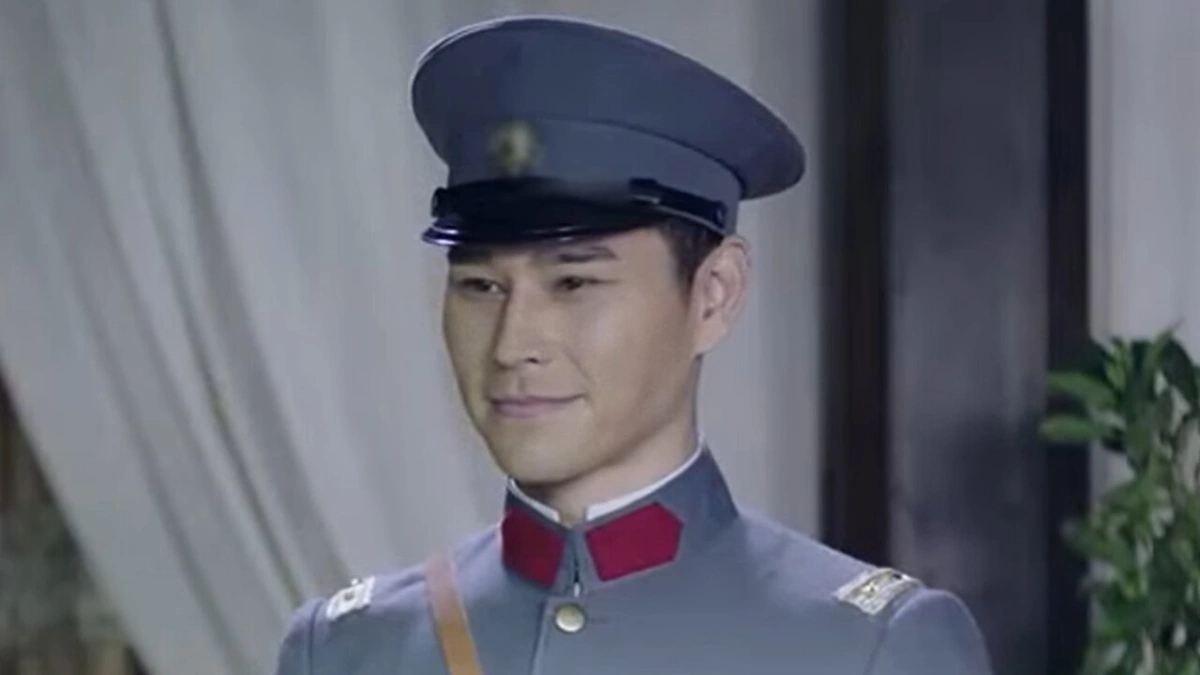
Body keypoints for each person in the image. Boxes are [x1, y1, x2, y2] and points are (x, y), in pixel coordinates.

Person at [271, 15, 994, 675]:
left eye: (574, 283)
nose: (512, 345)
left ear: (713, 295)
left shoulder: (868, 649)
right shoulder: (347, 650)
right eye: (481, 286)